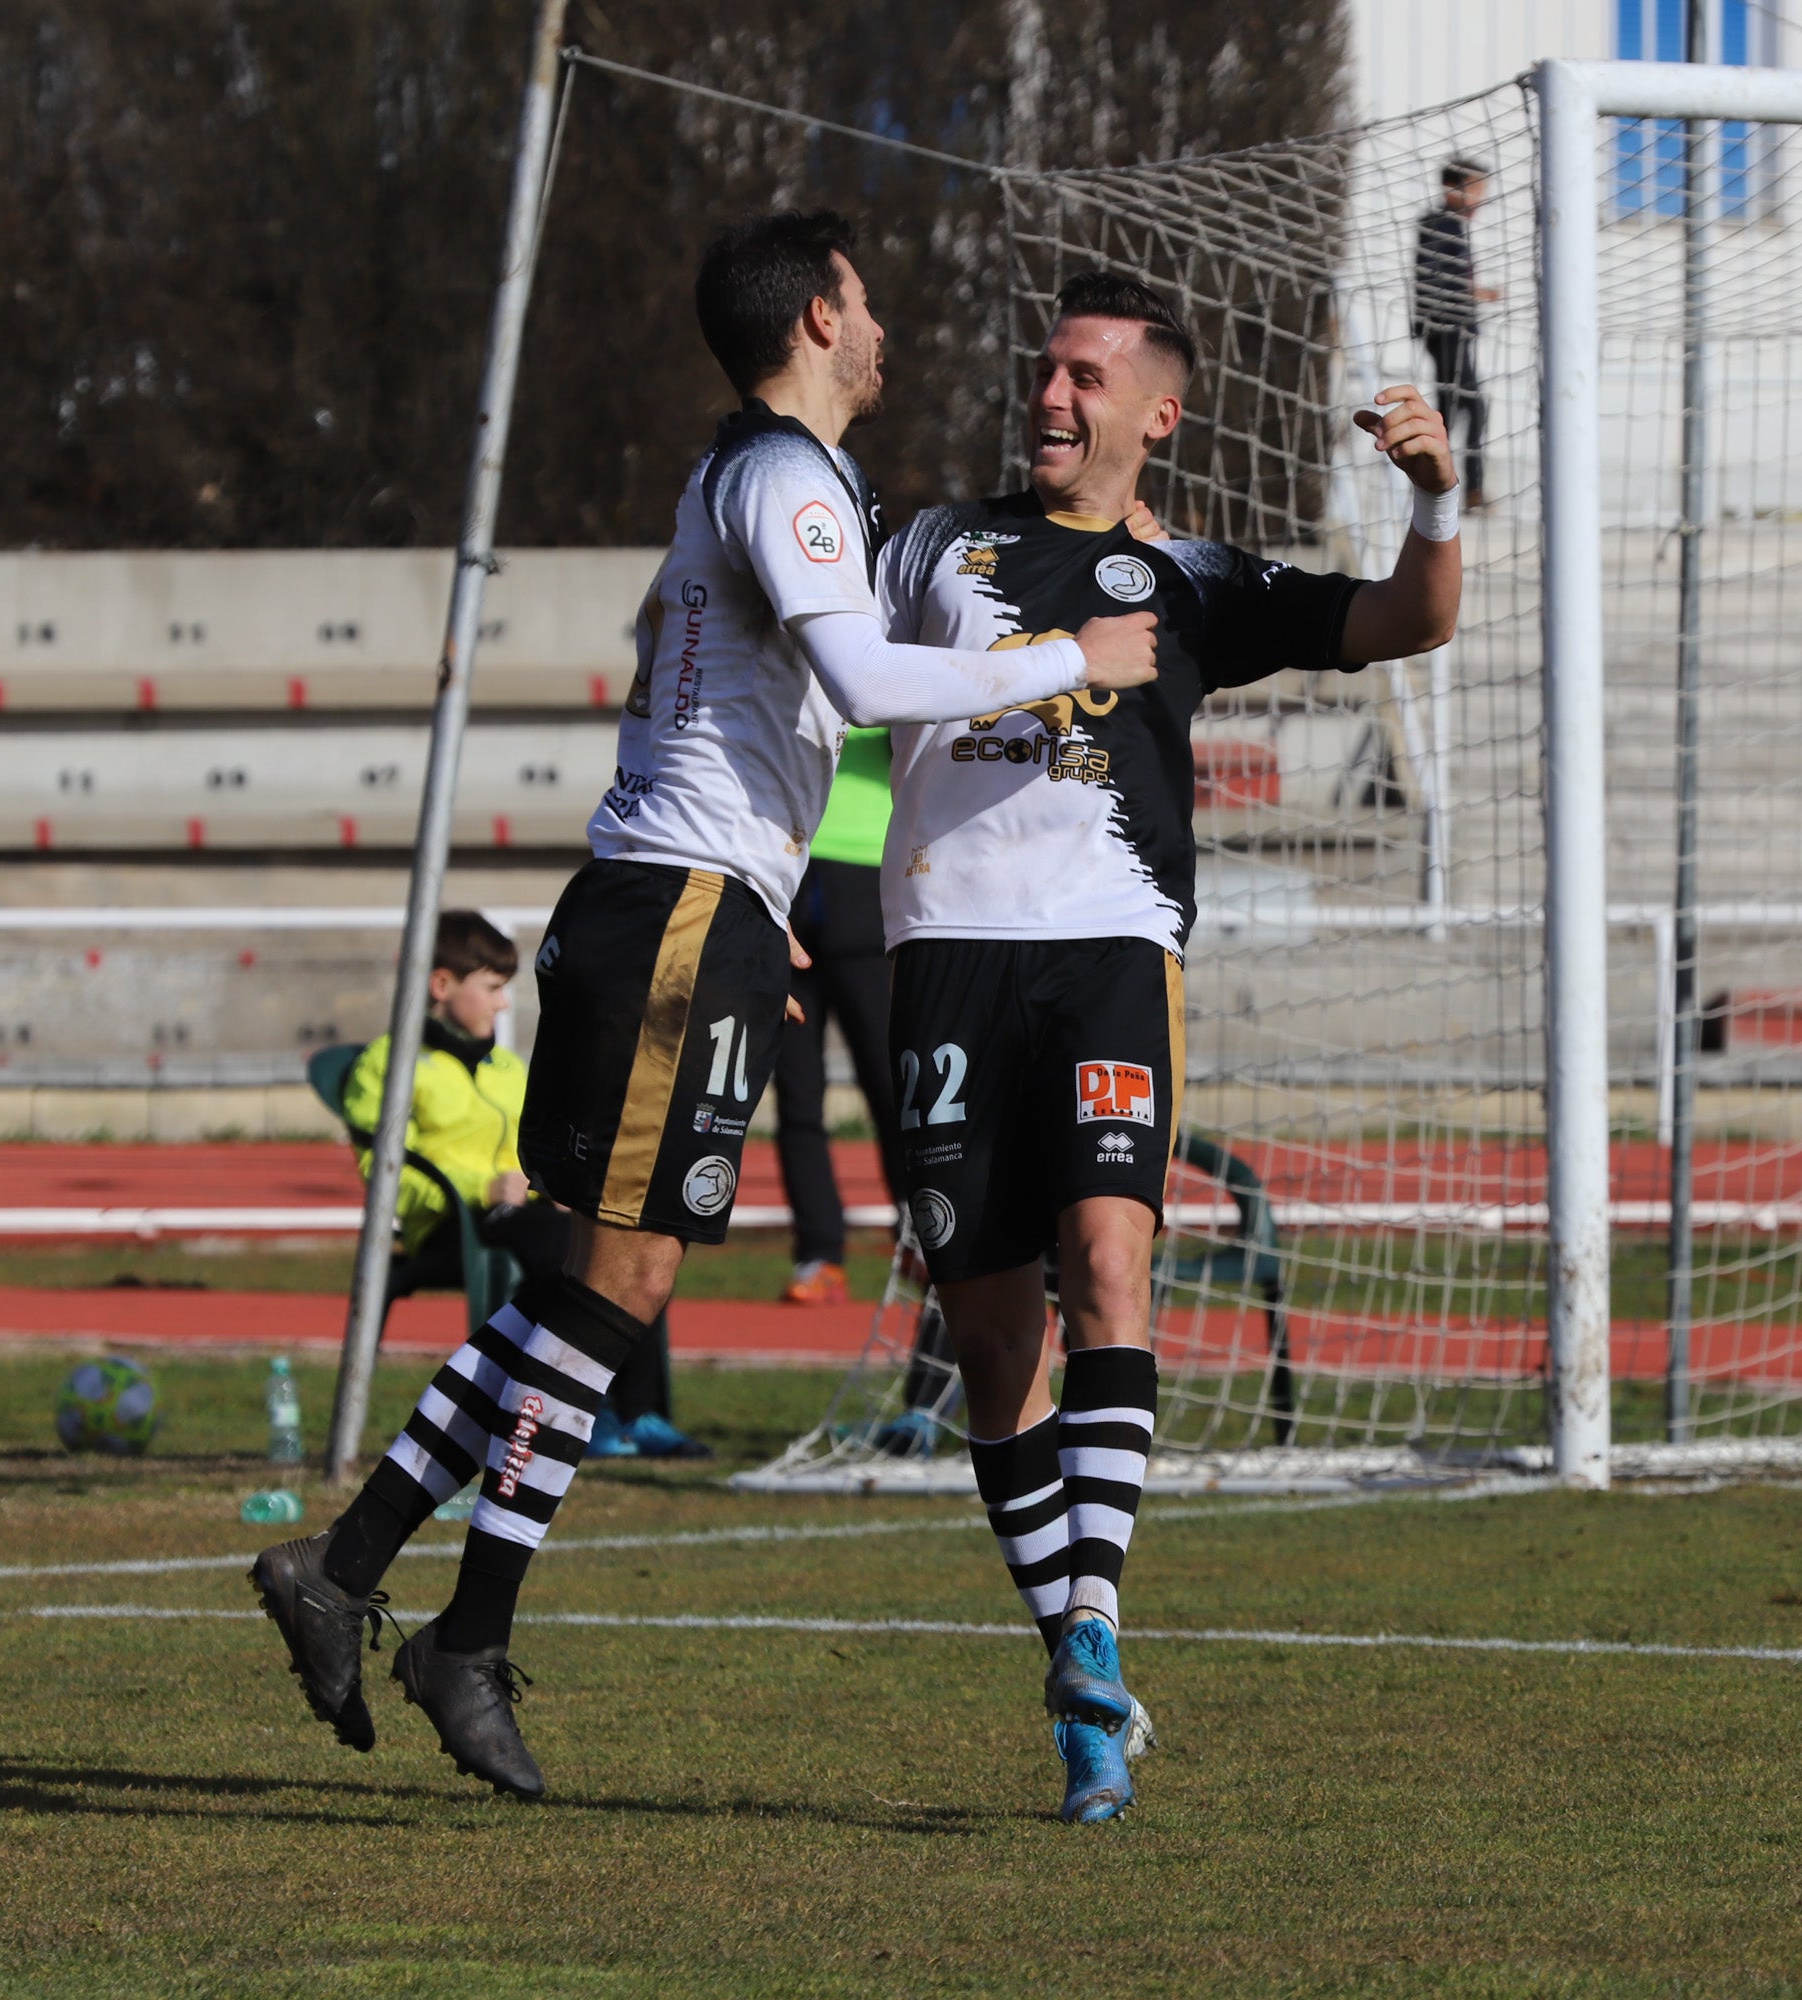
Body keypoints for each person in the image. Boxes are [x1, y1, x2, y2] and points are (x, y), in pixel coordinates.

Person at [250, 209, 1160, 1799]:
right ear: (817, 315)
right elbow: (874, 688)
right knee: (607, 1298)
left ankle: (403, 1589)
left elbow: (754, 716)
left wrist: (763, 921)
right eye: (866, 303)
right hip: (673, 911)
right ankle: (412, 1598)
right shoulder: (782, 478)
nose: (885, 331)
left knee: (601, 1300)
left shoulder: (765, 482)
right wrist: (1059, 657)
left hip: (698, 912)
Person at [875, 270, 1459, 1820]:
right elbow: (830, 672)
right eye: (1042, 372)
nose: (1049, 399)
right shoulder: (936, 544)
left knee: (1107, 1268)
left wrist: (1438, 498)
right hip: (941, 957)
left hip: (1109, 954)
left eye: (1081, 378)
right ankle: (1075, 1676)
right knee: (993, 1353)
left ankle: (1093, 1628)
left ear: (1155, 410)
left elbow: (1410, 617)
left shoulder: (1191, 578)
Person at [345, 911, 699, 1460]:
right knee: (566, 1249)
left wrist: (559, 1184)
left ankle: (642, 1412)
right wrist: (479, 1189)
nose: (503, 1004)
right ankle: (588, 1413)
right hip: (448, 1229)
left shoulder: (507, 1068)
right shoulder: (387, 1065)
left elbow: (544, 1146)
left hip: (523, 1217)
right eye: (491, 988)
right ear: (442, 985)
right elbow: (384, 1170)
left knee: (627, 1238)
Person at [773, 725, 904, 1304]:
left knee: (890, 1087)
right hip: (790, 883)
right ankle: (819, 1253)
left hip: (867, 887)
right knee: (798, 1099)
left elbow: (895, 715)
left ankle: (921, 1233)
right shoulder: (806, 661)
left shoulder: (890, 653)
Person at [1413, 159, 1496, 511]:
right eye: (1476, 189)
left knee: (1452, 409)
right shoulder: (1438, 225)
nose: (1481, 199)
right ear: (1453, 189)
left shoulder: (1453, 226)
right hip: (1446, 331)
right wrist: (1471, 293)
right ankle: (1466, 489)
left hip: (1455, 330)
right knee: (1470, 408)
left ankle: (1445, 488)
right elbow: (1432, 281)